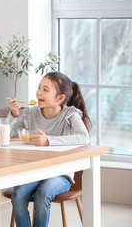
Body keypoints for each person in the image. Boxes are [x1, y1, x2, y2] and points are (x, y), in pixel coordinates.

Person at [7, 71, 91, 227]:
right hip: (35, 170)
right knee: (18, 194)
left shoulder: (70, 114)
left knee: (43, 193)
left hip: (61, 172)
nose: (39, 92)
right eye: (39, 87)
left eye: (46, 89)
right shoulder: (31, 113)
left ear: (60, 98)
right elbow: (9, 134)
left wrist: (49, 141)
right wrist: (14, 114)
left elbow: (83, 138)